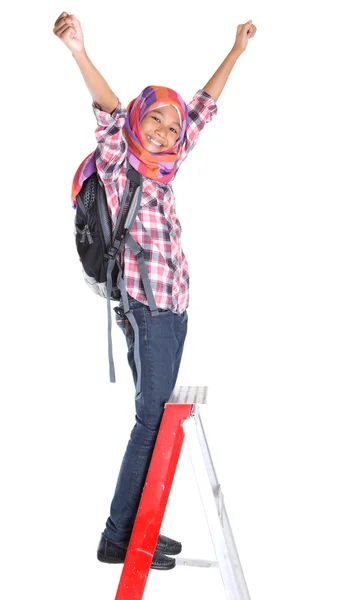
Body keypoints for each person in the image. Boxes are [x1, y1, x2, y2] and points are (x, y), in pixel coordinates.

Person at [53, 11, 257, 571]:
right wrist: (79, 52)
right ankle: (118, 536)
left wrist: (234, 52)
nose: (167, 133)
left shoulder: (169, 162)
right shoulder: (122, 162)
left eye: (171, 129)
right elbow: (109, 111)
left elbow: (200, 109)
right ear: (137, 126)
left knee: (158, 415)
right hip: (148, 309)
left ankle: (140, 524)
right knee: (152, 418)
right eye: (156, 124)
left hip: (175, 305)